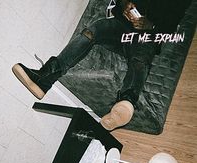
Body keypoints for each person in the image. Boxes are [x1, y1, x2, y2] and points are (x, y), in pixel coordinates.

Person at [12, 0, 191, 130]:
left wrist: (151, 26)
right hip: (120, 26)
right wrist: (124, 4)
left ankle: (126, 102)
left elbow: (171, 26)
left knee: (139, 60)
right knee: (93, 31)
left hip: (146, 37)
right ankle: (46, 77)